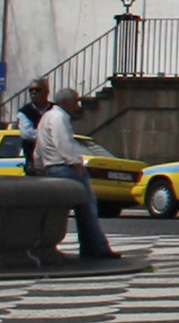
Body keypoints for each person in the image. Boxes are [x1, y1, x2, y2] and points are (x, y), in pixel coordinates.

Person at [28, 84, 116, 263]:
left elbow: (39, 146)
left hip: (51, 168)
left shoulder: (46, 117)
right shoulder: (60, 118)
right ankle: (95, 247)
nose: (78, 105)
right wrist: (76, 163)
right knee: (88, 207)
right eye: (76, 101)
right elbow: (64, 143)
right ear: (68, 102)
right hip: (65, 168)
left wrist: (39, 165)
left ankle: (88, 245)